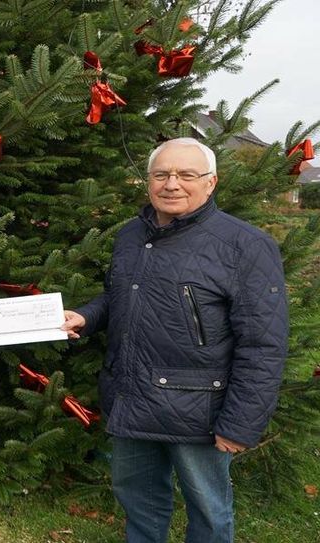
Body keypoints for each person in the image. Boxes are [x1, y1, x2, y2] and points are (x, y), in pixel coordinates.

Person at [61, 138, 288, 543]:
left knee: (208, 509)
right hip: (131, 395)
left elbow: (263, 344)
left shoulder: (246, 246)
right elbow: (121, 294)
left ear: (211, 182)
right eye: (161, 174)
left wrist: (239, 424)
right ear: (147, 181)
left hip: (198, 409)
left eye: (187, 175)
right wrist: (87, 316)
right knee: (139, 502)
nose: (172, 184)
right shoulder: (131, 234)